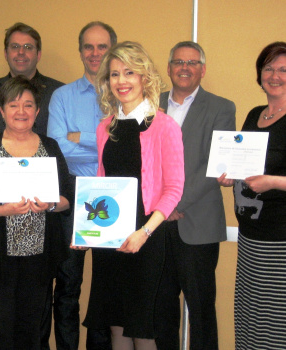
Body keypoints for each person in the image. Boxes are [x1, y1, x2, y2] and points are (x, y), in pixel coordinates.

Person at [83, 41, 184, 350]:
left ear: (144, 77)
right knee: (116, 323)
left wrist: (144, 232)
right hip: (111, 236)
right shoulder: (105, 127)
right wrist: (87, 230)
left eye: (129, 72)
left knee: (143, 327)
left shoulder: (164, 126)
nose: (121, 81)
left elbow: (174, 189)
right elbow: (102, 183)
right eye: (114, 74)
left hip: (147, 236)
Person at [0, 75, 73, 350]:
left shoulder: (50, 147)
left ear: (37, 111)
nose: (21, 112)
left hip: (39, 255)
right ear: (2, 111)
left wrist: (50, 204)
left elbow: (68, 198)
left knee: (31, 329)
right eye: (13, 105)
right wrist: (3, 210)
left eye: (28, 105)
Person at [155, 41, 236, 350]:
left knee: (201, 311)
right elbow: (142, 160)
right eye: (178, 61)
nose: (184, 67)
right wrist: (159, 209)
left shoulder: (221, 107)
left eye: (191, 62)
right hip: (156, 226)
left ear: (203, 69)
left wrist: (171, 204)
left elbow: (214, 165)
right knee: (160, 310)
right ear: (168, 68)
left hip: (197, 224)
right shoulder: (151, 104)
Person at [47, 21, 117, 350]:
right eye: (88, 46)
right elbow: (60, 148)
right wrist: (105, 140)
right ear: (80, 52)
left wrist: (84, 137)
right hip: (71, 194)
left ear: (112, 51)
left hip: (111, 193)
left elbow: (124, 148)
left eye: (102, 46)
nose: (95, 53)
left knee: (106, 288)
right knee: (68, 287)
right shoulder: (62, 97)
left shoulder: (124, 96)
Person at [219, 41, 286, 350]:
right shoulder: (255, 114)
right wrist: (229, 175)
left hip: (279, 241)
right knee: (250, 315)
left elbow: (267, 176)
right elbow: (242, 163)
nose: (274, 75)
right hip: (250, 236)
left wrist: (272, 181)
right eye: (268, 68)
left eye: (283, 69)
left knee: (275, 320)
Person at [0, 22, 63, 134]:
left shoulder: (59, 93)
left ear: (38, 55)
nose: (21, 52)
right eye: (15, 47)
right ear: (6, 54)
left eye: (28, 47)